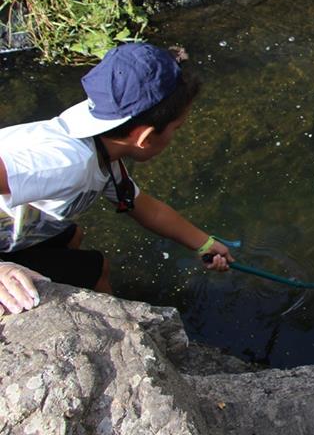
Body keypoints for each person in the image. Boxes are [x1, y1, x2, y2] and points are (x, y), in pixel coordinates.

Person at [0, 43, 234, 316]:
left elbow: (145, 207)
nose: (175, 136)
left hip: (19, 230)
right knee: (96, 269)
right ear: (145, 137)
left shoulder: (102, 136)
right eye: (176, 129)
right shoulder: (67, 163)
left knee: (73, 235)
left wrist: (203, 243)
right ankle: (117, 323)